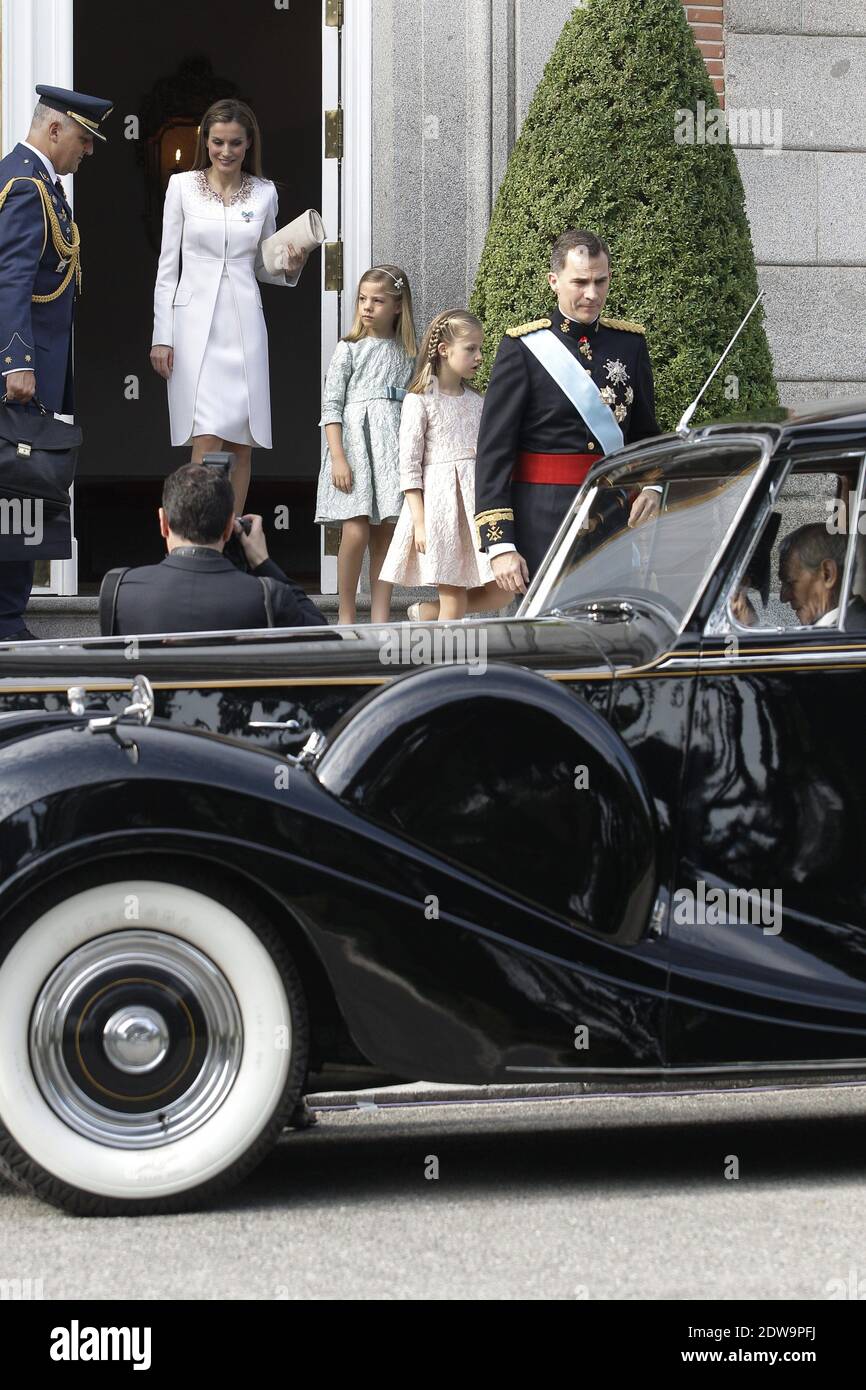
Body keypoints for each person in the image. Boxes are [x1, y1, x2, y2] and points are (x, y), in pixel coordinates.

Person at [474, 227, 661, 593]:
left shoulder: (630, 344)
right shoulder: (523, 348)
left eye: (600, 281)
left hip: (611, 513)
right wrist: (500, 544)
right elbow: (494, 453)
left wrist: (653, 487)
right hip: (542, 518)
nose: (592, 294)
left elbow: (644, 434)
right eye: (580, 282)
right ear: (554, 281)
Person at [150, 99, 305, 514]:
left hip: (243, 323)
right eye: (218, 141)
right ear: (206, 140)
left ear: (248, 143)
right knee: (206, 436)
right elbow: (167, 268)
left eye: (235, 142)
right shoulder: (181, 187)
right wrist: (160, 337)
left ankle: (232, 538)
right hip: (191, 325)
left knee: (242, 441)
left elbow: (263, 265)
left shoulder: (265, 192)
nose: (226, 151)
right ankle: (196, 536)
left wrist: (290, 265)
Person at [0, 83, 112, 640]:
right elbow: (12, 279)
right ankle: (6, 621)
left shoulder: (42, 181)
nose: (87, 152)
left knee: (24, 490)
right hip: (21, 376)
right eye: (84, 139)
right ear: (54, 129)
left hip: (37, 370)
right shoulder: (25, 185)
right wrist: (15, 362)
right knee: (17, 490)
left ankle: (9, 614)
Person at [380, 310, 512, 622]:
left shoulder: (478, 402)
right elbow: (409, 465)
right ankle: (446, 665)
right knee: (453, 600)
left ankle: (428, 612)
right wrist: (420, 521)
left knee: (502, 591)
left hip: (474, 507)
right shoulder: (420, 400)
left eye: (480, 348)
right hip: (441, 510)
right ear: (444, 350)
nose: (479, 356)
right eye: (471, 349)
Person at [103, 463, 324, 635]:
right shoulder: (266, 596)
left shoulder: (120, 592)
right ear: (229, 527)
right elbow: (323, 635)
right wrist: (263, 562)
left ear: (163, 522)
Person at [314, 265, 416, 625]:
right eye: (362, 299)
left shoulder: (407, 352)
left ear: (398, 306)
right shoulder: (349, 348)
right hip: (355, 448)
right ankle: (345, 614)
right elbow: (331, 406)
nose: (367, 307)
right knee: (355, 530)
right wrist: (338, 457)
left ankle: (380, 616)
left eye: (377, 300)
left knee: (384, 535)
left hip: (389, 448)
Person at [779, 523, 866, 629]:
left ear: (828, 574)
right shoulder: (846, 630)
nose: (784, 598)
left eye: (790, 583)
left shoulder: (853, 636)